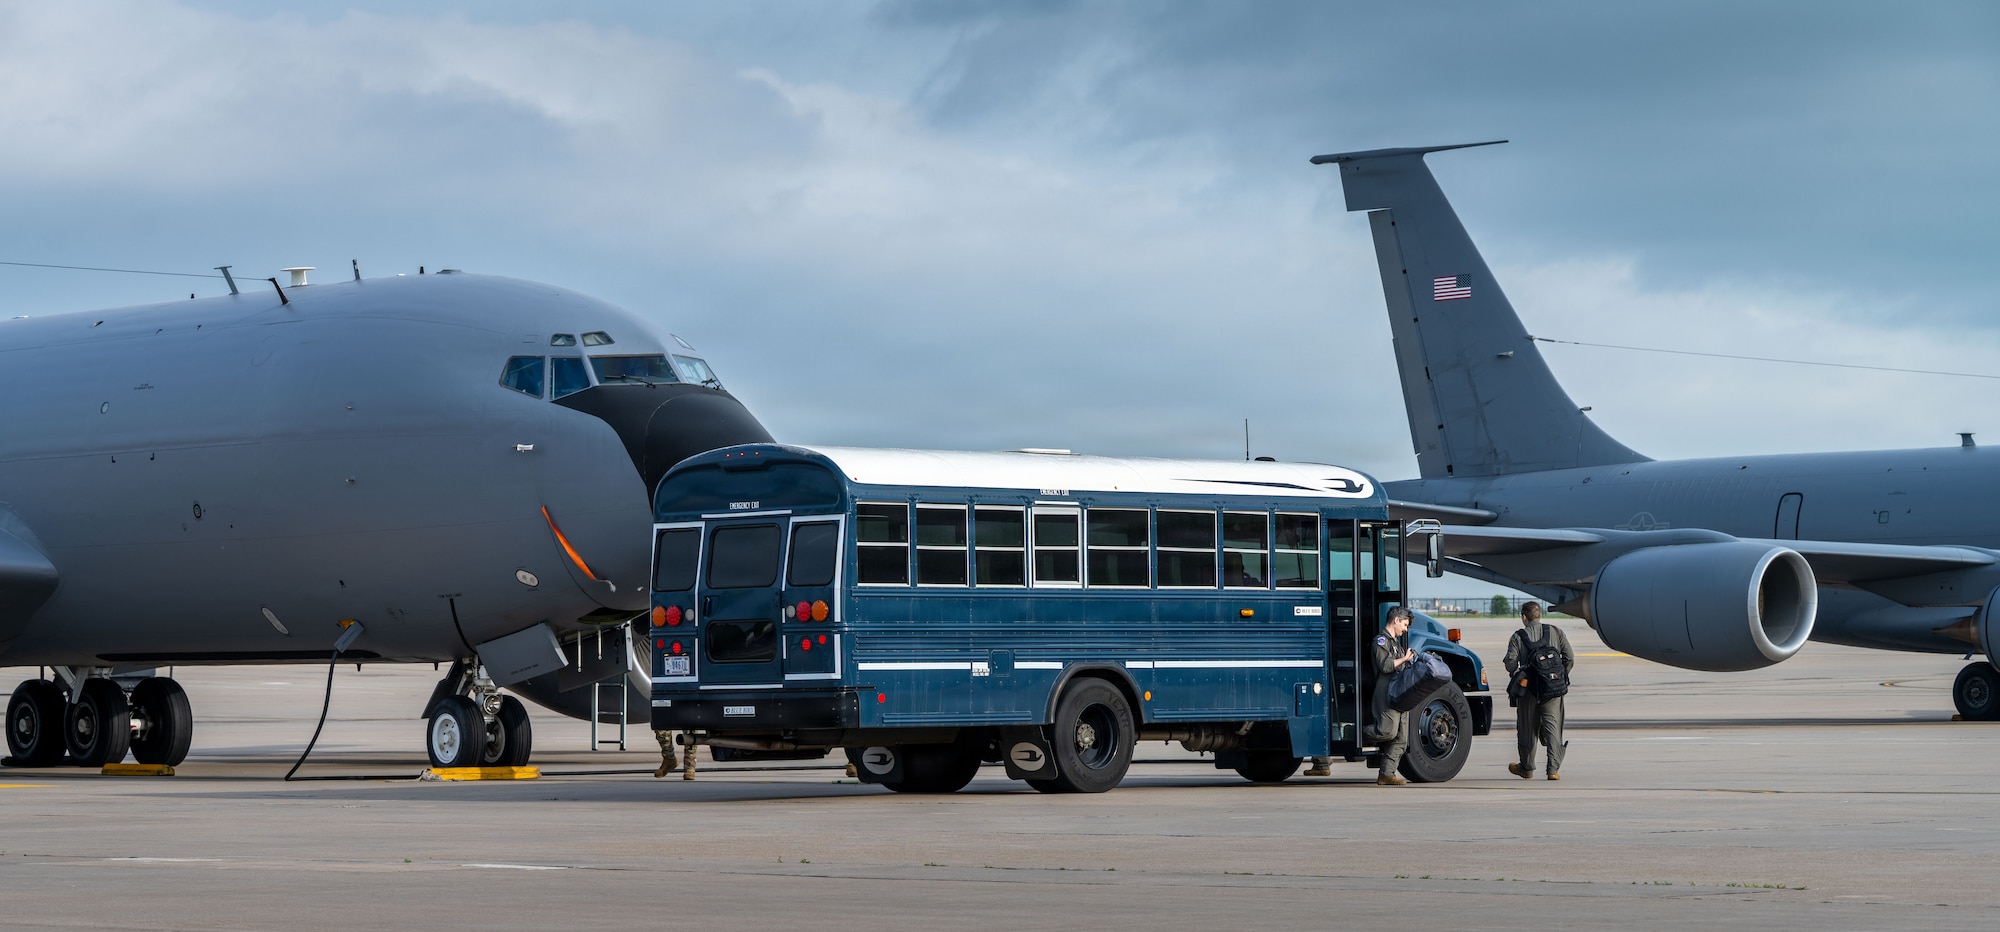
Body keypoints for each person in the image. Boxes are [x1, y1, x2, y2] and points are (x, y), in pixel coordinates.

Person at [1504, 601, 1574, 780]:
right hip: (1553, 688)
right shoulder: (1556, 632)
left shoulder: (1518, 636)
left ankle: (1527, 768)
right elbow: (1569, 657)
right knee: (1553, 726)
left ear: (1524, 617)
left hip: (1529, 690)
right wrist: (1557, 676)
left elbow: (1510, 663)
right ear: (1539, 615)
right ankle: (1553, 770)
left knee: (1527, 728)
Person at [1369, 605, 1417, 786]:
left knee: (1401, 738)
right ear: (1396, 621)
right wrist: (1405, 658)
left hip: (1399, 689)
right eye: (1404, 625)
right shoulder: (1381, 641)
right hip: (1387, 688)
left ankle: (1387, 774)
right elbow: (1386, 666)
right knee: (1386, 731)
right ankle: (1351, 733)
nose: (1405, 629)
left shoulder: (1395, 643)